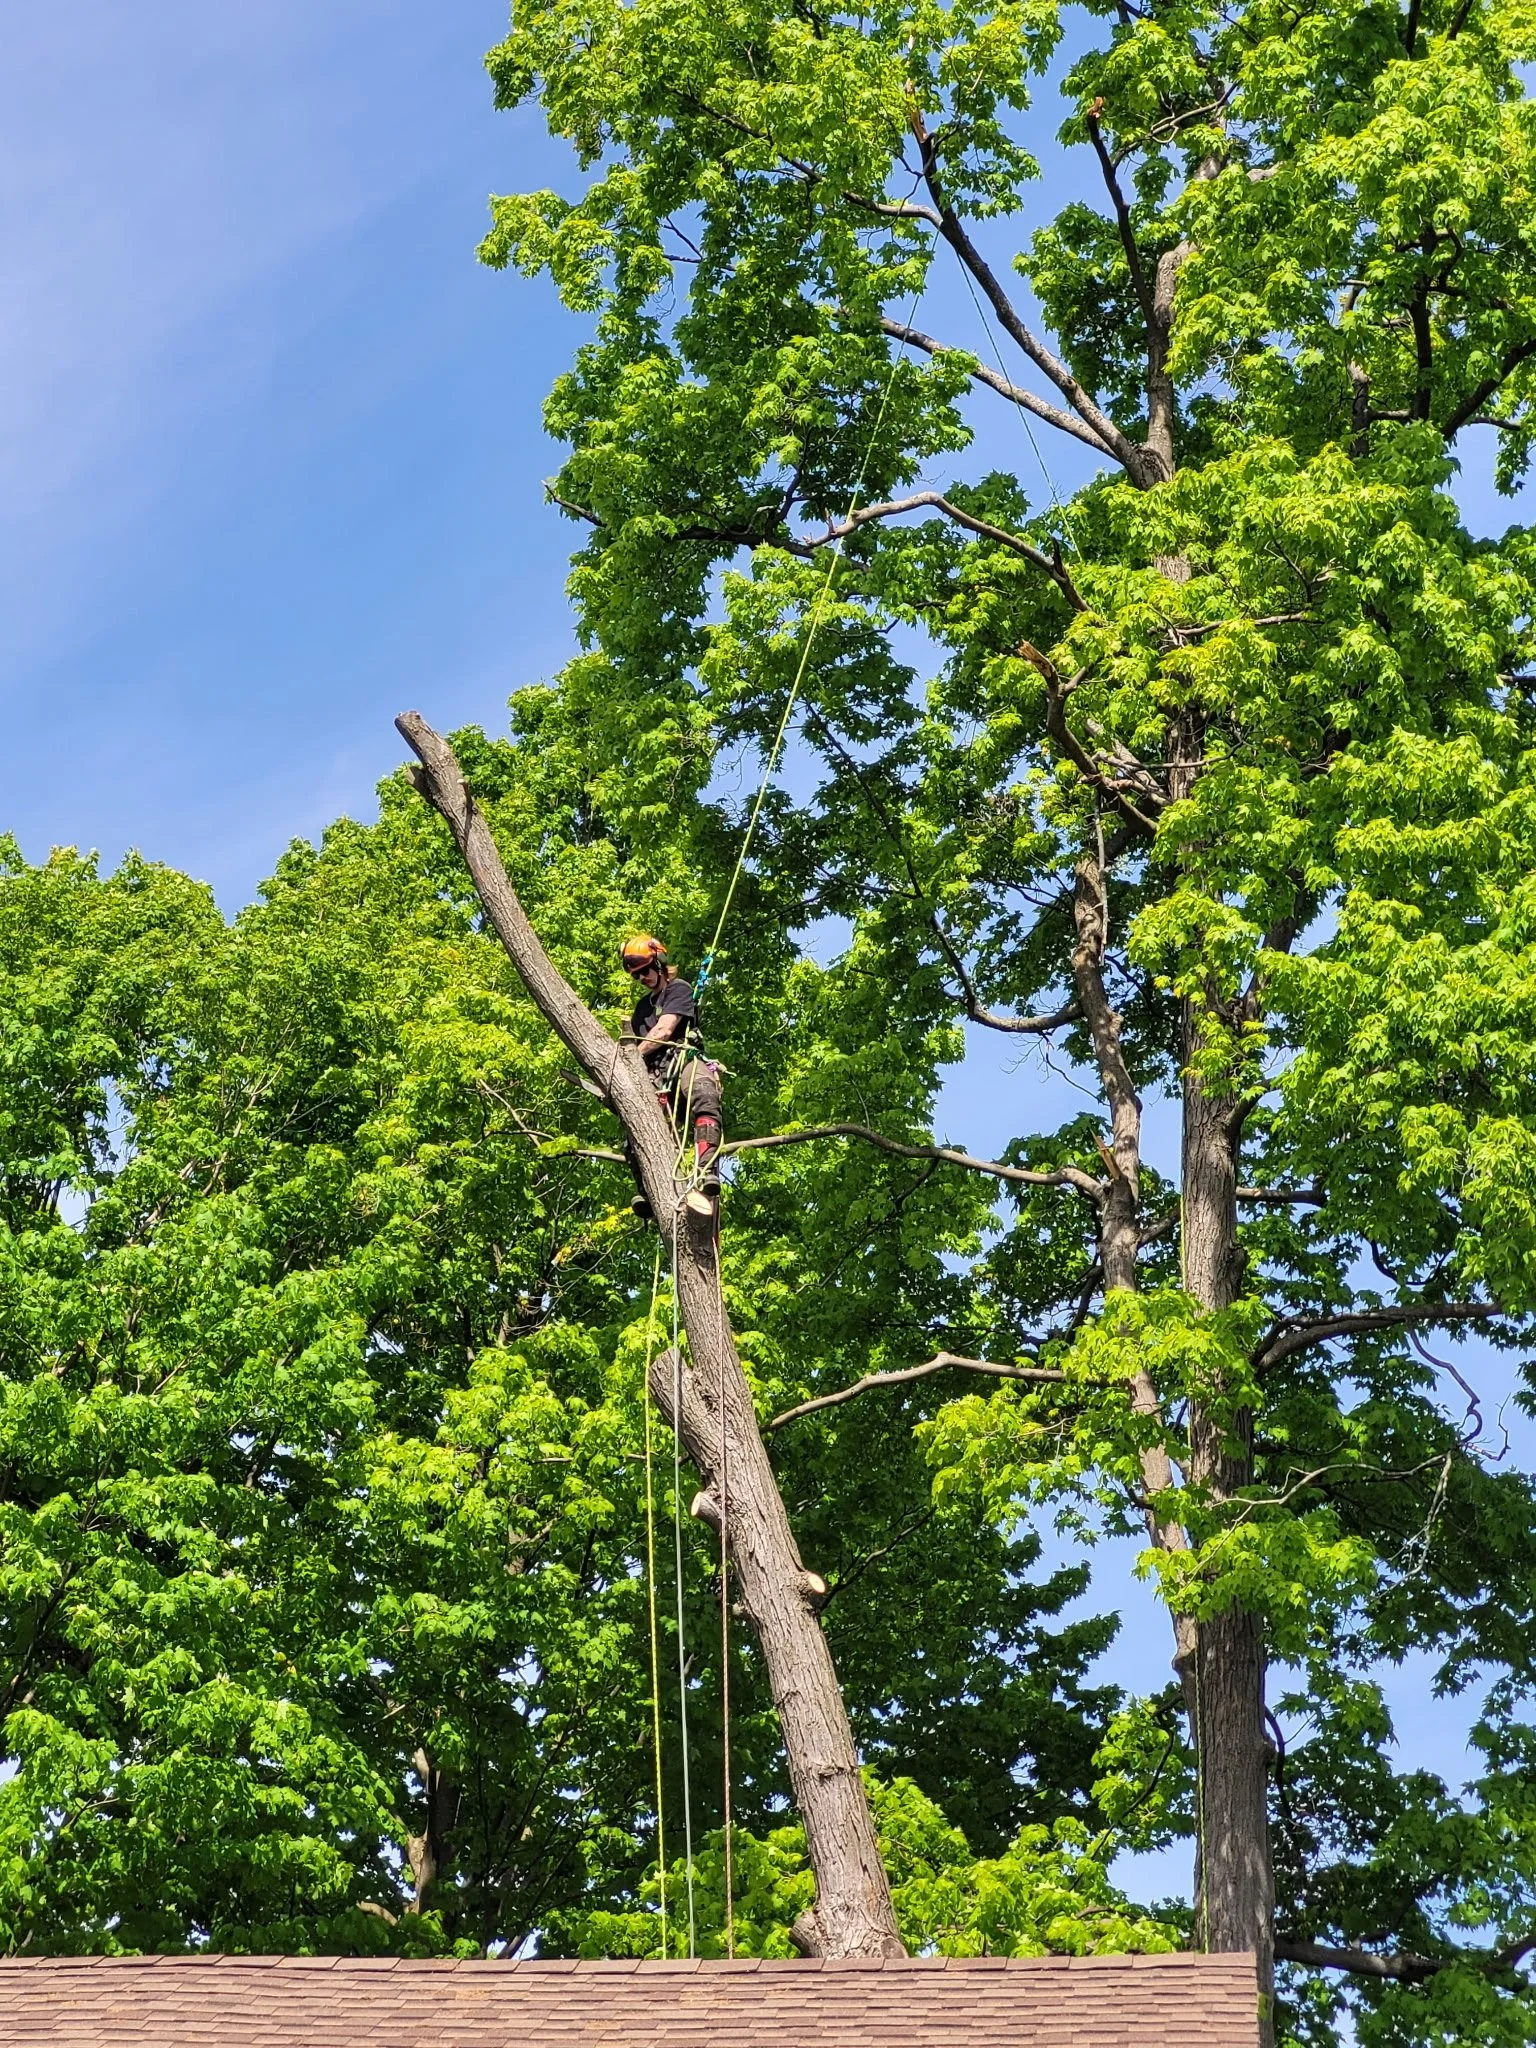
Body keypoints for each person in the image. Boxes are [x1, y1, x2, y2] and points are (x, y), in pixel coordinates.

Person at [620, 934, 724, 1222]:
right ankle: (648, 1191)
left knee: (704, 1093)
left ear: (660, 962)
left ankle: (707, 1169)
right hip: (655, 1074)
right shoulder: (641, 1009)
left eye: (645, 970)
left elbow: (665, 1031)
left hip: (683, 1060)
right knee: (633, 1126)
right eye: (636, 975)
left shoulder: (678, 989)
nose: (642, 978)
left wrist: (632, 1056)